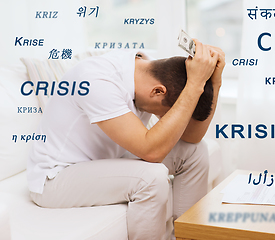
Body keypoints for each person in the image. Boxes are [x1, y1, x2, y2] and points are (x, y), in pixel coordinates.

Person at [27, 39, 225, 240]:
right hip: (55, 178)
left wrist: (214, 81)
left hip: (106, 159)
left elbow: (192, 137)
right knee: (151, 176)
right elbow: (151, 152)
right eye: (166, 114)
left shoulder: (149, 70)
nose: (167, 120)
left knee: (195, 152)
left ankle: (188, 237)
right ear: (158, 92)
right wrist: (194, 84)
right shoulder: (97, 80)